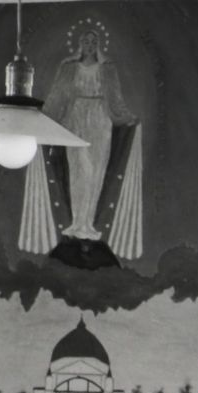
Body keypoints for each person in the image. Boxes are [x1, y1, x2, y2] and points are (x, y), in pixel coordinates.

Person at [18, 20, 145, 266]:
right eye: (86, 41)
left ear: (99, 45)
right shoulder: (68, 68)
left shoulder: (108, 69)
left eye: (93, 42)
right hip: (75, 118)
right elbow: (56, 97)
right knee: (79, 171)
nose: (89, 45)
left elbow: (116, 99)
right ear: (79, 44)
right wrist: (41, 118)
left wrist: (128, 118)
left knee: (96, 172)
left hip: (100, 119)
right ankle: (77, 222)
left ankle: (88, 224)